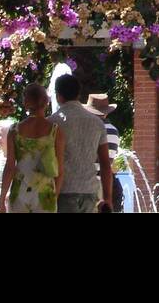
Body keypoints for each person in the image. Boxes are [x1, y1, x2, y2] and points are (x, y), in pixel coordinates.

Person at [50, 74, 113, 213]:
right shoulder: (97, 123)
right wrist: (107, 198)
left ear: (58, 95)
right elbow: (105, 163)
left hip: (63, 190)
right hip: (90, 191)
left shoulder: (52, 123)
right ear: (78, 94)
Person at [0, 84, 63, 213]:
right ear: (46, 102)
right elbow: (60, 169)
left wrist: (1, 201)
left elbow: (10, 166)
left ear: (25, 103)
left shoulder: (14, 131)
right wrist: (55, 196)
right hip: (45, 193)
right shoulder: (55, 131)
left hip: (20, 190)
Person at [84, 92, 123, 212]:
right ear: (106, 113)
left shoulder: (88, 128)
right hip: (107, 183)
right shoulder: (114, 131)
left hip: (88, 183)